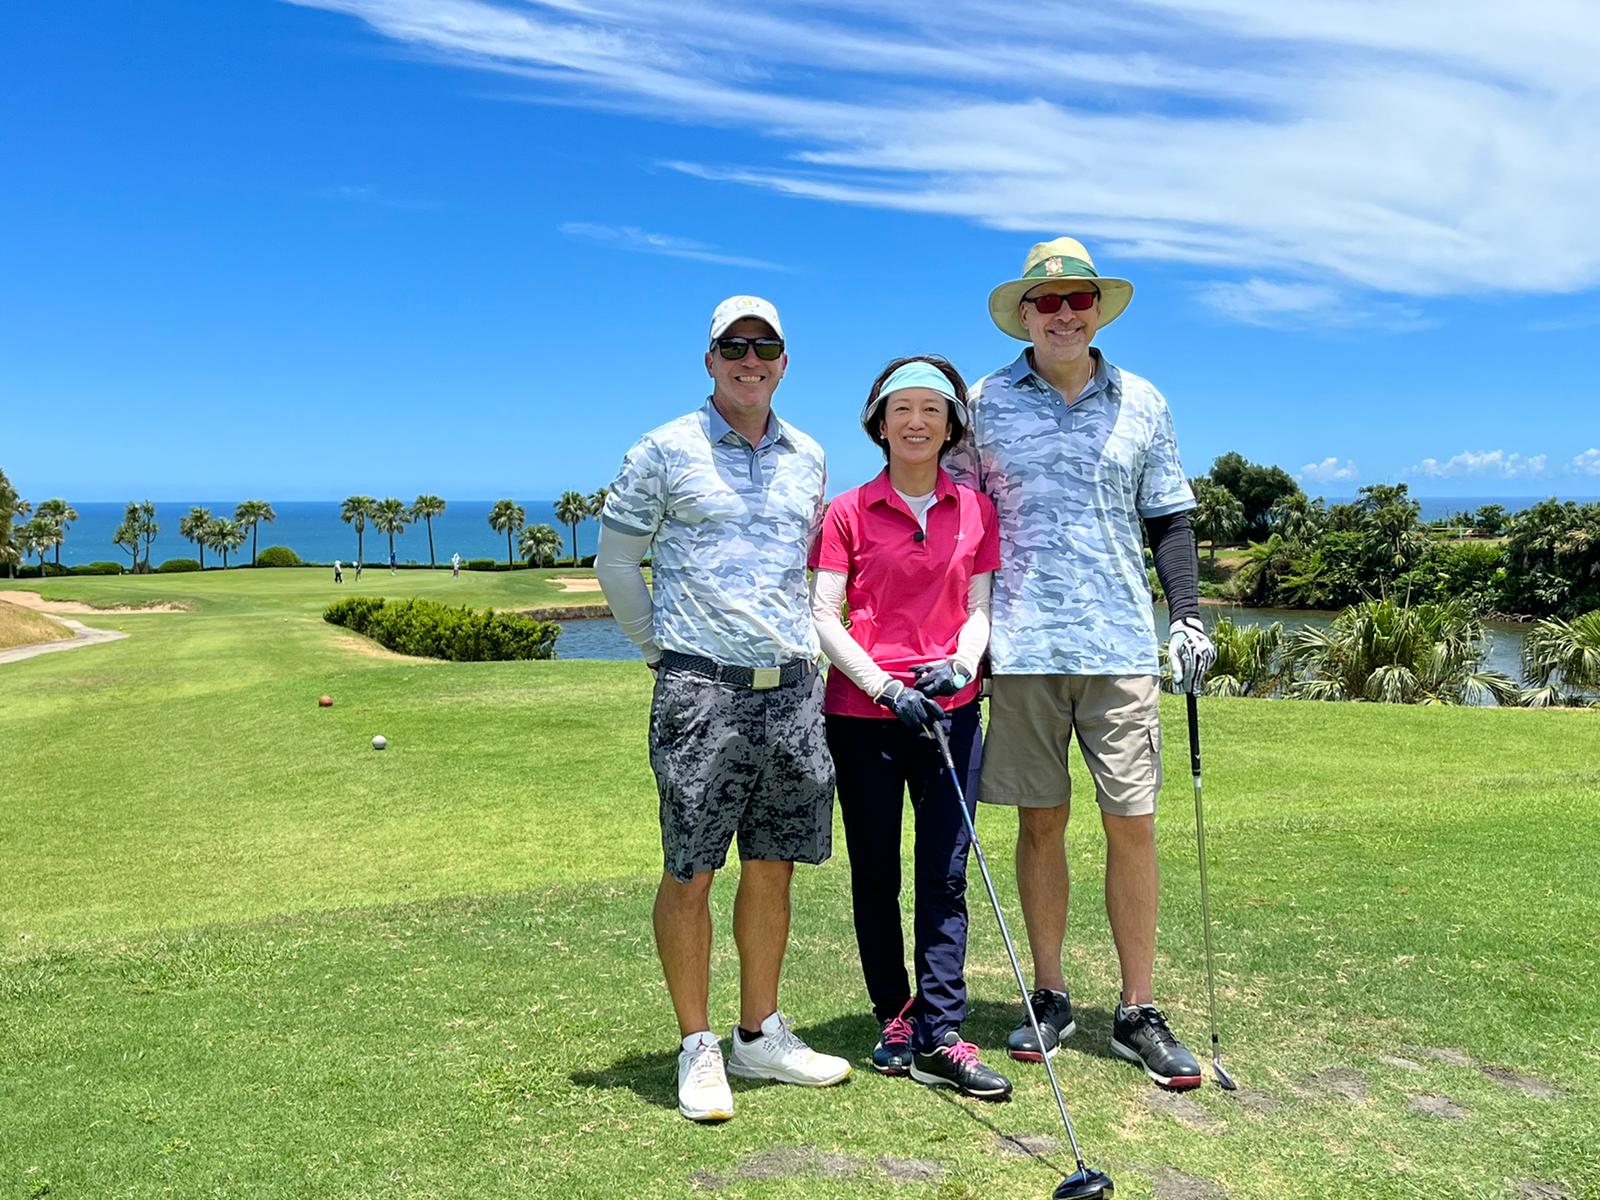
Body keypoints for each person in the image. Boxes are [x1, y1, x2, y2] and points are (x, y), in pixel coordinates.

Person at [946, 237, 1217, 1090]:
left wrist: (1187, 616)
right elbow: (957, 520)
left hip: (1121, 647)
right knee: (1041, 823)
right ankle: (1051, 993)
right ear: (1025, 314)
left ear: (1097, 309)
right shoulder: (982, 404)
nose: (1064, 314)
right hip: (1021, 648)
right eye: (1047, 301)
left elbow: (1168, 518)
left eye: (1078, 299)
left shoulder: (1143, 401)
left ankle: (1137, 1009)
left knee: (1132, 821)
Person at [595, 294, 850, 1124]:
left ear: (784, 362)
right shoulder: (664, 448)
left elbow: (803, 569)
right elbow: (617, 564)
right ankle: (698, 1044)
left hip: (793, 689)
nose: (750, 361)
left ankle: (758, 1033)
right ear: (709, 360)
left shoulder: (810, 456)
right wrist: (658, 651)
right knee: (691, 869)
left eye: (764, 348)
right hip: (701, 691)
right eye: (733, 347)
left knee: (773, 864)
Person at [809, 356, 1012, 1100]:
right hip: (864, 716)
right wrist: (886, 688)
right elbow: (824, 616)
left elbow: (978, 610)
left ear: (952, 424)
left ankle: (942, 1030)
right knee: (876, 872)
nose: (917, 422)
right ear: (880, 423)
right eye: (902, 409)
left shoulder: (976, 510)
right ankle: (894, 1014)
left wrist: (959, 667)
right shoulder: (848, 511)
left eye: (932, 409)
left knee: (946, 873)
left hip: (951, 714)